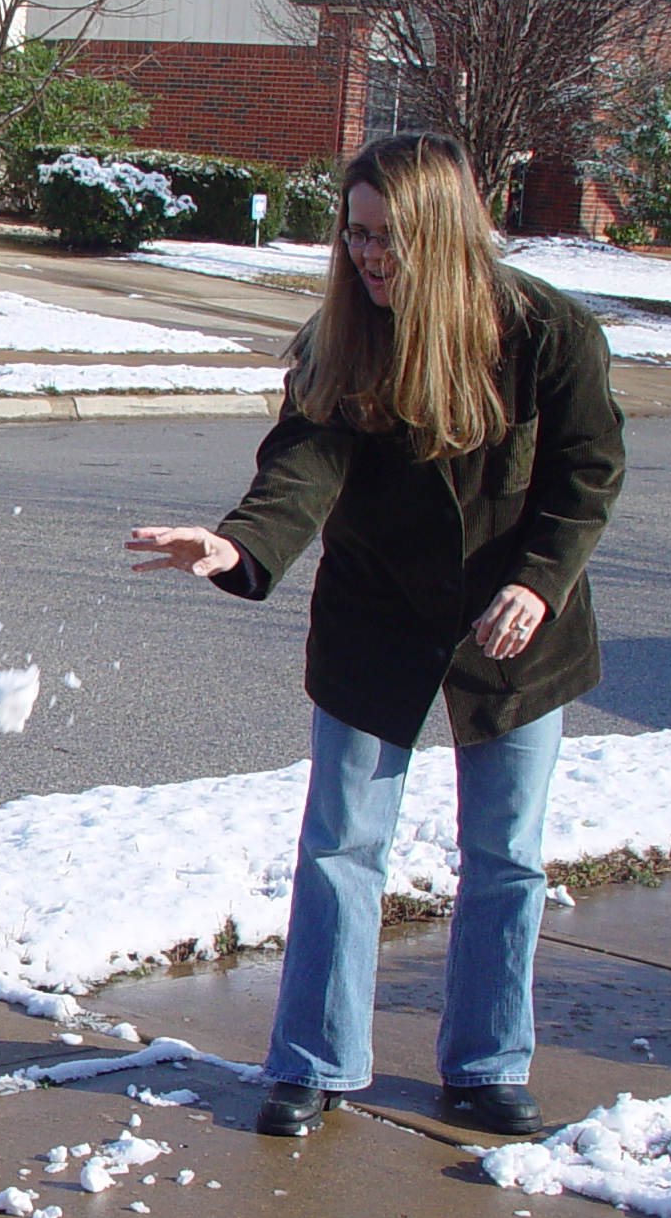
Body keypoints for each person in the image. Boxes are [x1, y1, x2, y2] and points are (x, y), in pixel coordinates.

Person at [127, 132, 624, 1140]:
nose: (365, 255)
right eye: (354, 233)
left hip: (514, 617)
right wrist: (234, 545)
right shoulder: (342, 337)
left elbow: (587, 475)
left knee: (506, 854)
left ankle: (486, 1067)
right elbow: (301, 468)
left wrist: (538, 581)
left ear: (439, 232)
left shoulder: (547, 332)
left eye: (386, 236)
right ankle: (312, 1063)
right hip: (375, 610)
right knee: (341, 845)